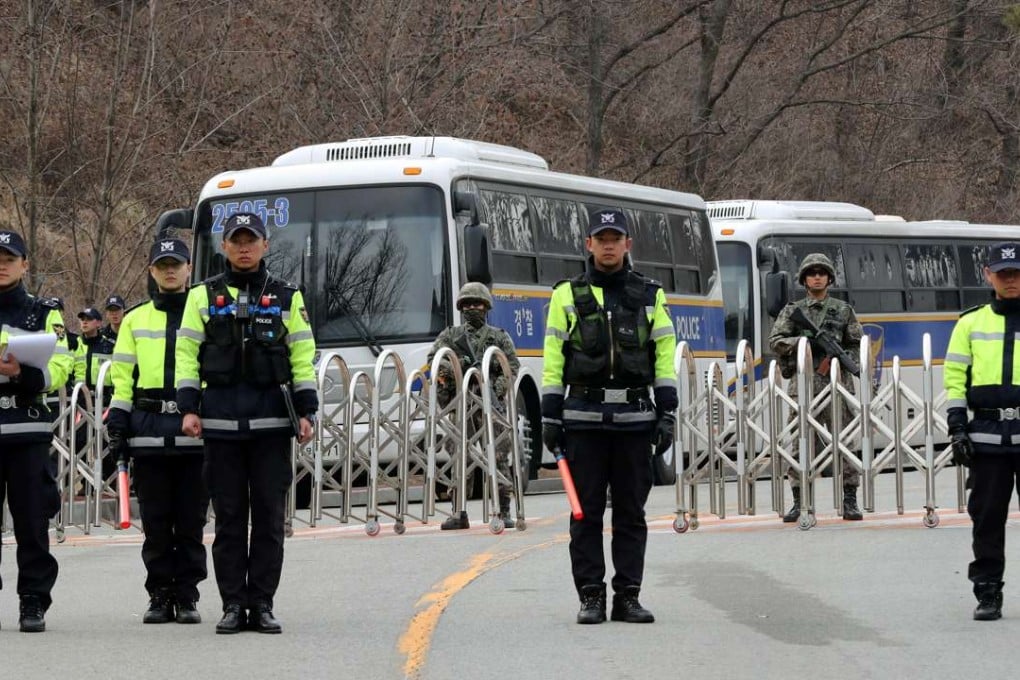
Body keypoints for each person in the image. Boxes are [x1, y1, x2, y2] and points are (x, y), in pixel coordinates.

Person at [176, 212, 317, 635]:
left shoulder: (288, 297)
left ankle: (263, 603)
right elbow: (186, 356)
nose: (243, 247)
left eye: (250, 240)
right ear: (224, 246)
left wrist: (307, 410)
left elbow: (302, 358)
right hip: (219, 423)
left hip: (272, 425)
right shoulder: (202, 296)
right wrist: (188, 407)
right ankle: (233, 605)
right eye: (236, 240)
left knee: (271, 519)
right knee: (230, 520)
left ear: (265, 245)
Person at [541, 208, 677, 625]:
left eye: (615, 237)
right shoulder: (566, 294)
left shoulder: (650, 294)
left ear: (627, 244)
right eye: (601, 238)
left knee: (631, 514)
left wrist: (666, 410)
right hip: (583, 417)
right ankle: (590, 596)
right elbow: (553, 356)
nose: (608, 244)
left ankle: (628, 596)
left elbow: (664, 353)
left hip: (635, 419)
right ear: (589, 244)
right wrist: (550, 414)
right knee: (585, 513)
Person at [107, 238, 208, 625]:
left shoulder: (203, 315)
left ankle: (187, 596)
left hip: (191, 430)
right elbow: (122, 380)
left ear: (188, 268)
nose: (170, 270)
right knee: (156, 522)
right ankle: (160, 594)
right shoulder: (134, 319)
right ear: (151, 270)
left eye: (177, 264)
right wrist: (118, 423)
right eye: (162, 264)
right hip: (148, 430)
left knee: (191, 521)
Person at [0, 229, 73, 632]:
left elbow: (61, 367)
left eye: (9, 258)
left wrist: (23, 374)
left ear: (25, 264)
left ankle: (33, 601)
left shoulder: (44, 312)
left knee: (32, 522)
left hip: (27, 429)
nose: (2, 265)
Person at [944, 241, 1020, 621]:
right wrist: (957, 428)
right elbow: (954, 380)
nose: (1011, 280)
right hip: (987, 438)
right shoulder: (970, 323)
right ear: (989, 275)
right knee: (987, 519)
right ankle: (988, 592)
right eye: (1003, 274)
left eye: (1017, 274)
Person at [768, 253, 864, 522]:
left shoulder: (843, 310)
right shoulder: (792, 311)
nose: (817, 276)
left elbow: (857, 345)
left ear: (830, 278)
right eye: (812, 273)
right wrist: (802, 343)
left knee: (844, 442)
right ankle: (800, 501)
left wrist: (843, 359)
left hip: (837, 384)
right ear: (804, 279)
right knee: (799, 443)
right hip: (805, 384)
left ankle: (849, 500)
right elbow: (775, 340)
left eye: (822, 272)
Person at [428, 281, 520, 530]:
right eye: (467, 304)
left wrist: (494, 390)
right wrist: (457, 367)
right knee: (460, 457)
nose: (472, 308)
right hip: (462, 404)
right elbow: (434, 362)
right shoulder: (450, 336)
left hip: (489, 405)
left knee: (498, 456)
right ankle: (459, 511)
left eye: (476, 304)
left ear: (486, 306)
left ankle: (503, 509)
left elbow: (511, 367)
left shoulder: (498, 337)